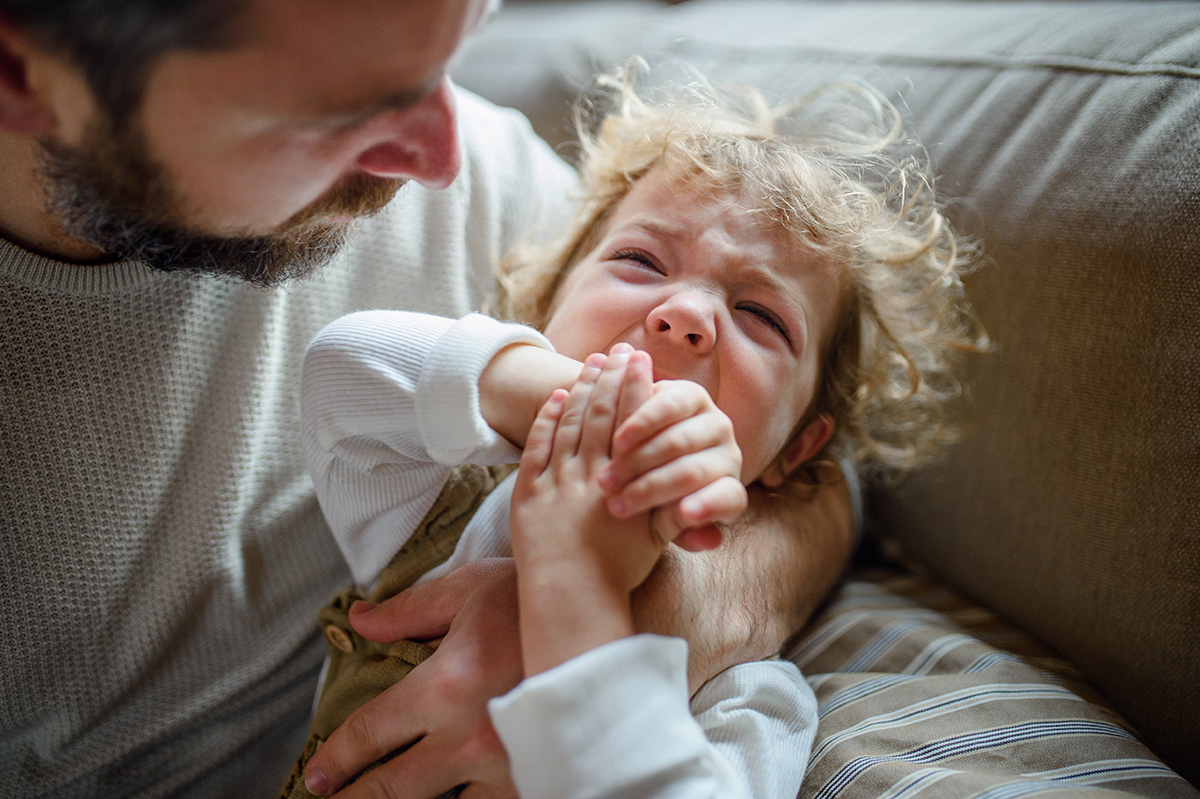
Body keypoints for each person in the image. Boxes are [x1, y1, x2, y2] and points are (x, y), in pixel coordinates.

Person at [0, 2, 859, 797]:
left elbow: (846, 476)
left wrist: (611, 603)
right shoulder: (441, 496)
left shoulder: (507, 193)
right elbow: (347, 372)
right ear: (20, 68)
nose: (442, 162)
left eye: (461, 42)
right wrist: (581, 415)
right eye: (335, 105)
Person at [288, 65, 983, 798]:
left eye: (762, 317)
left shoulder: (748, 692)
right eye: (640, 260)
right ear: (542, 310)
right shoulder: (440, 497)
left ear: (798, 448)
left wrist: (575, 585)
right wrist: (571, 398)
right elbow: (342, 369)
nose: (686, 313)